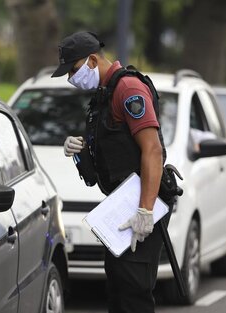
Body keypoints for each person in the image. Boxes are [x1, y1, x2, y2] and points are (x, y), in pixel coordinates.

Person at [52, 31, 172, 313]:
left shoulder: (128, 89)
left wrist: (145, 211)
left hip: (140, 202)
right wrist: (81, 149)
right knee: (118, 289)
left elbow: (152, 150)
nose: (71, 78)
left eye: (73, 69)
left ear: (93, 60)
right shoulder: (103, 96)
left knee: (133, 293)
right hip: (121, 203)